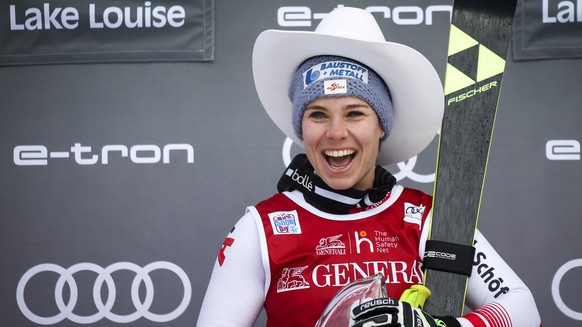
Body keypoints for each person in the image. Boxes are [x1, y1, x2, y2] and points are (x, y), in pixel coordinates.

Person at [197, 7, 541, 327]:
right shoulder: (260, 229)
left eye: (355, 113)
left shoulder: (426, 219)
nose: (335, 133)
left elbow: (524, 308)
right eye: (317, 114)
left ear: (381, 126)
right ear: (301, 128)